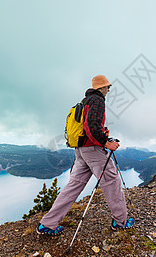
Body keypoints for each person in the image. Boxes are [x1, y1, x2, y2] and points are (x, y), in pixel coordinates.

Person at [36, 75, 134, 235]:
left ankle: (47, 224)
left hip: (81, 150)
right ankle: (121, 222)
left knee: (73, 185)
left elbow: (88, 127)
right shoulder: (97, 101)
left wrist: (102, 135)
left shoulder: (85, 101)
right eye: (108, 87)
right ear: (101, 88)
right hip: (93, 151)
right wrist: (106, 142)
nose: (109, 89)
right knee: (112, 181)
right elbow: (92, 128)